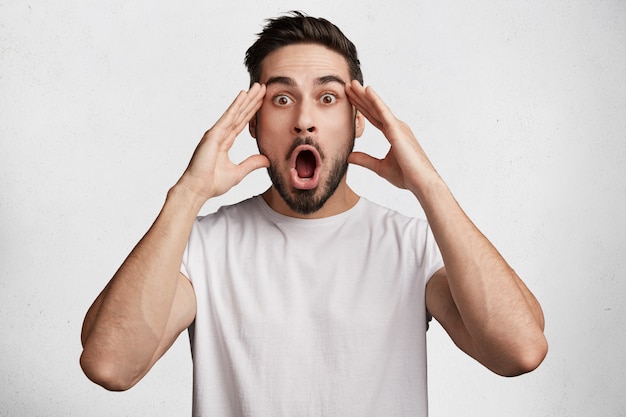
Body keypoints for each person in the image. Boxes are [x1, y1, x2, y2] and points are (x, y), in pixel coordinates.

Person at [80, 11, 547, 416]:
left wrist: (429, 186)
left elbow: (520, 351)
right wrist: (187, 194)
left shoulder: (414, 246)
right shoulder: (201, 248)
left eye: (328, 98)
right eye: (281, 99)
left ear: (358, 120)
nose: (304, 119)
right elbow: (110, 364)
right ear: (254, 125)